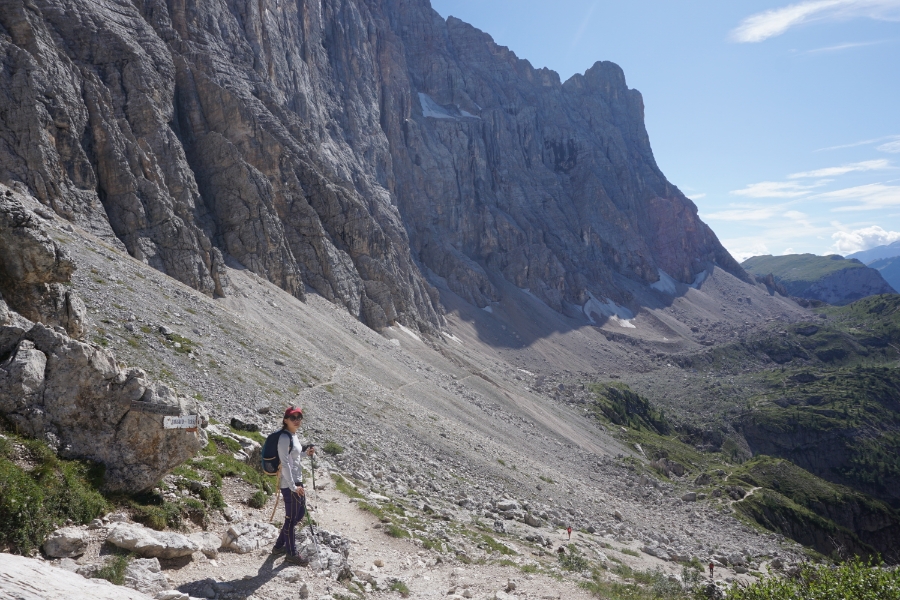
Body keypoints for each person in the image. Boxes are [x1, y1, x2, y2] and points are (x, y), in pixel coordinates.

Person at [271, 406, 315, 564]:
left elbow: (293, 458)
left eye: (299, 417)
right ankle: (291, 553)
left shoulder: (293, 435)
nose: (296, 420)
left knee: (299, 514)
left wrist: (305, 453)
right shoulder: (284, 437)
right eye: (293, 418)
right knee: (291, 518)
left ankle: (278, 546)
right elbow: (285, 463)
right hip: (290, 483)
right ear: (285, 420)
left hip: (296, 481)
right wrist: (292, 486)